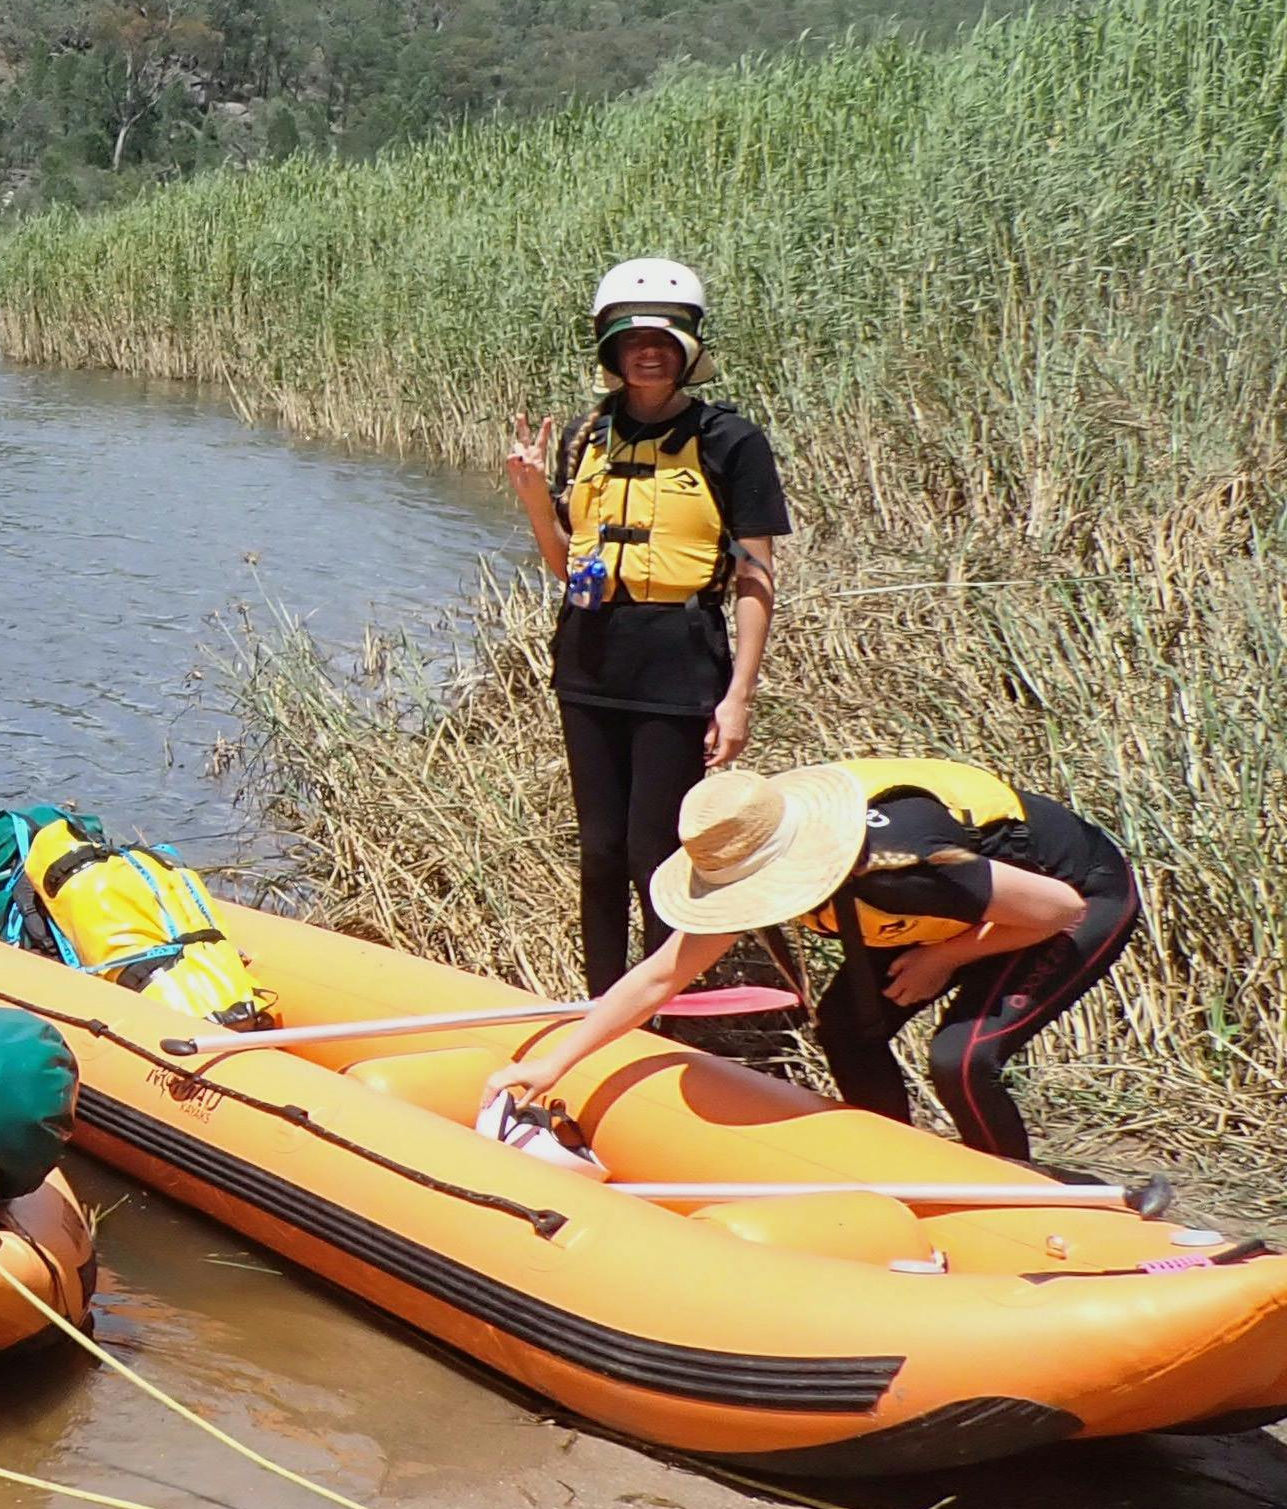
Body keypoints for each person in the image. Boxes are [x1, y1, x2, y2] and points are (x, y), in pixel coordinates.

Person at [487, 757, 1141, 1165]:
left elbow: (1061, 910)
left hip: (1072, 893)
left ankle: (1014, 1197)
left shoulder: (901, 870)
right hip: (963, 909)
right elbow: (661, 975)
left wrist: (942, 957)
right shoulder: (751, 855)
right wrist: (552, 1063)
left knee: (961, 1057)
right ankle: (899, 1169)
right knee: (848, 1032)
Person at [504, 257, 790, 992]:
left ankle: (662, 1005)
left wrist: (739, 698)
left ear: (690, 346)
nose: (649, 351)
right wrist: (536, 496)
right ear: (610, 349)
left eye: (666, 337)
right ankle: (601, 1003)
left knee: (653, 850)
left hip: (680, 662)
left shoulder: (732, 442)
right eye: (632, 339)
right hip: (591, 658)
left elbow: (756, 579)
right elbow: (568, 566)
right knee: (598, 851)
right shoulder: (584, 438)